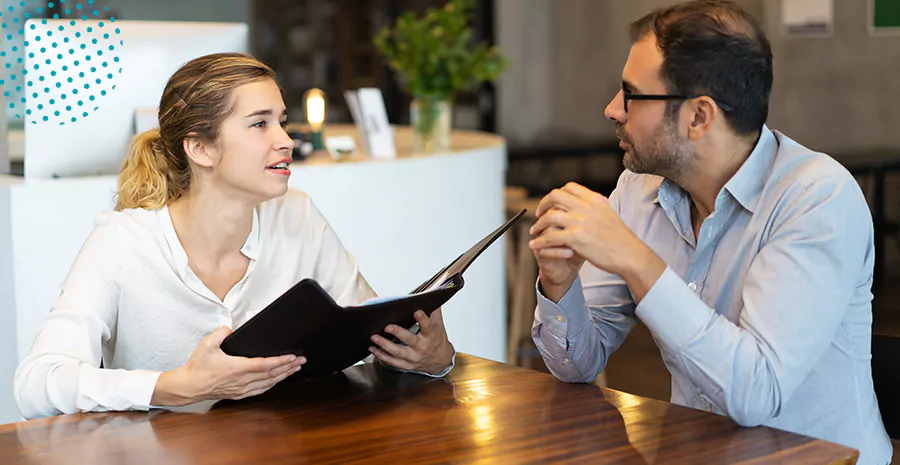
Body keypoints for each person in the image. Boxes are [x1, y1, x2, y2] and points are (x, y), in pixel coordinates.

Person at [528, 1, 891, 463]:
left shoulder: (816, 199)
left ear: (699, 117)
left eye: (631, 94)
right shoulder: (638, 192)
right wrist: (560, 287)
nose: (612, 109)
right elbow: (579, 366)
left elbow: (756, 393)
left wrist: (636, 261)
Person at [14, 53, 455, 419]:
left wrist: (432, 358)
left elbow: (367, 330)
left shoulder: (297, 214)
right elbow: (37, 384)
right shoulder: (122, 242)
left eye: (282, 121)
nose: (285, 140)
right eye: (260, 124)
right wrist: (175, 387)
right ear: (200, 148)